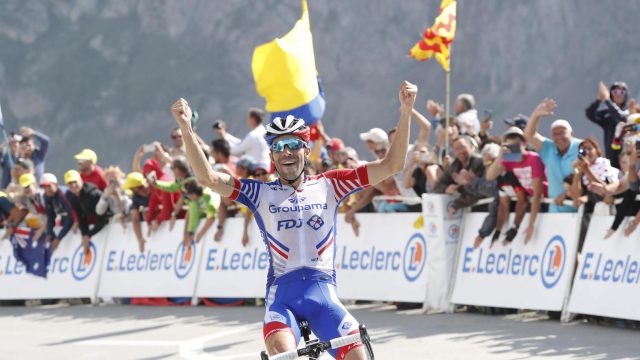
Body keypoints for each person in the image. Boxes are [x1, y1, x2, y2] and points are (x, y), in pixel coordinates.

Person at [170, 80, 417, 360]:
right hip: (282, 298)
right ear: (272, 156)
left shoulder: (331, 184)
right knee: (283, 355)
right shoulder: (259, 192)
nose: (287, 151)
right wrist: (187, 128)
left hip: (324, 295)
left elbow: (392, 165)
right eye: (279, 146)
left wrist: (406, 113)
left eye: (293, 144)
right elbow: (208, 178)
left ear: (306, 149)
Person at [485, 127, 547, 244]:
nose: (514, 150)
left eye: (517, 145)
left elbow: (538, 193)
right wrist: (499, 157)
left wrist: (531, 225)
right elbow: (490, 176)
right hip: (535, 199)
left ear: (525, 143)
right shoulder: (510, 159)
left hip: (545, 198)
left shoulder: (534, 158)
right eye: (510, 146)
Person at [524, 98, 582, 212]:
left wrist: (567, 194)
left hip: (578, 211)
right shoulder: (548, 148)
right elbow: (529, 135)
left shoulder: (582, 147)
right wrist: (536, 115)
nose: (559, 137)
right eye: (555, 134)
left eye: (562, 133)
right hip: (555, 210)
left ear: (572, 133)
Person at [433, 136, 485, 218]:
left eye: (463, 147)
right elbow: (437, 186)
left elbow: (480, 191)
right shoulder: (454, 166)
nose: (460, 151)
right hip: (464, 212)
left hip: (482, 210)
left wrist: (456, 205)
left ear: (471, 147)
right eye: (456, 149)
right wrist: (446, 189)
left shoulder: (480, 162)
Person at [64, 170, 111, 255]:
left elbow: (104, 218)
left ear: (81, 180)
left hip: (111, 221)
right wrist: (85, 235)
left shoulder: (92, 194)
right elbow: (81, 218)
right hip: (101, 224)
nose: (73, 185)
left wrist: (89, 235)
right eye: (70, 183)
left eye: (75, 182)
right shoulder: (74, 198)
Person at [585, 81, 629, 168]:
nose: (618, 94)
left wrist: (607, 100)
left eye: (622, 92)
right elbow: (590, 114)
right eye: (615, 92)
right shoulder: (606, 113)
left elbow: (621, 118)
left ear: (626, 94)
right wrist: (598, 100)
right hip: (611, 155)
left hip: (626, 154)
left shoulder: (629, 112)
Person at [41, 173, 73, 252]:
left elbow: (71, 217)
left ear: (56, 185)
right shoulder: (46, 196)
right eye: (44, 187)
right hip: (65, 219)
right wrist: (49, 233)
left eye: (49, 186)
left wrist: (59, 238)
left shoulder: (64, 194)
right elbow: (50, 216)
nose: (47, 190)